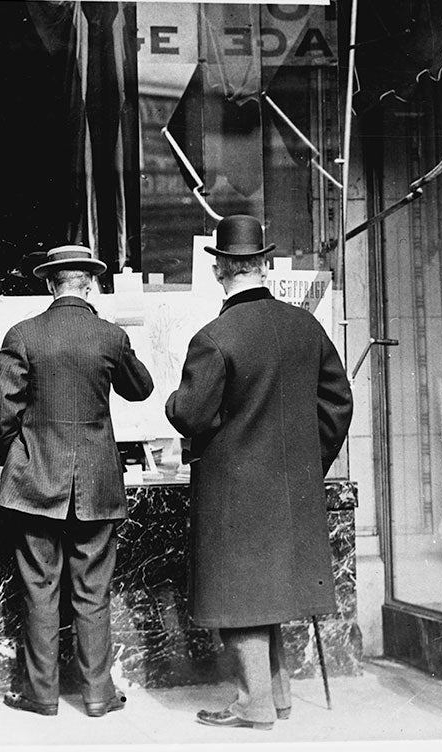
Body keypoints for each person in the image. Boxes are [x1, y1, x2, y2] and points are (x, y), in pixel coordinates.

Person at [165, 214, 353, 731]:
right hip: (292, 490)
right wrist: (309, 464)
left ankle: (253, 705)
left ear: (220, 268)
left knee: (241, 596)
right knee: (269, 591)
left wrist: (170, 403)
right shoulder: (305, 327)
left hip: (233, 491)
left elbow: (190, 414)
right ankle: (279, 697)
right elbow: (338, 404)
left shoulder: (215, 337)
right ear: (264, 264)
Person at [0, 245, 154, 718]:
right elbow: (140, 388)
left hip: (35, 482)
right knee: (92, 591)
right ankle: (98, 695)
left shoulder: (23, 335)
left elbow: (5, 414)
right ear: (90, 285)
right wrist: (114, 338)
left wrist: (13, 449)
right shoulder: (109, 335)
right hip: (98, 485)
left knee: (39, 589)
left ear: (49, 284)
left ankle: (41, 696)